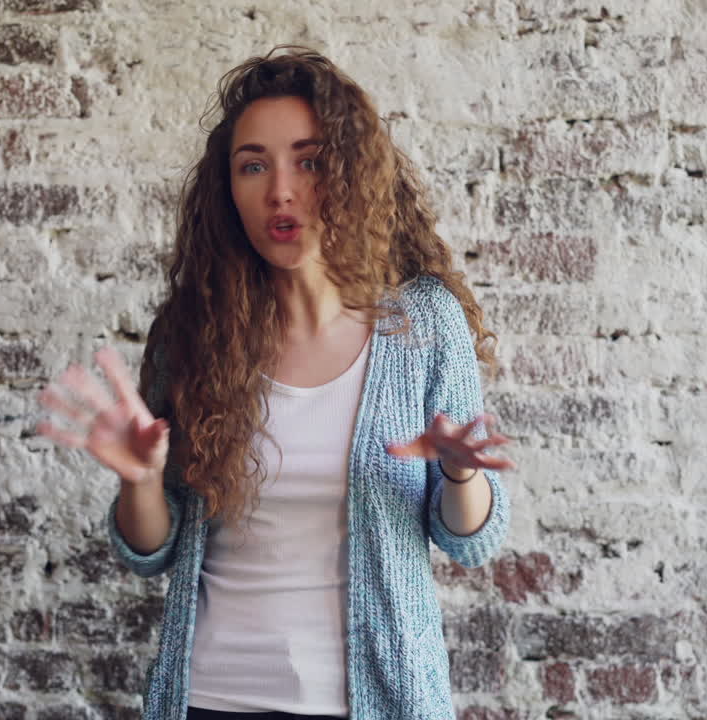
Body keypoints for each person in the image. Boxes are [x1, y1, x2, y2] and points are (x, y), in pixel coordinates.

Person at [37, 46, 513, 720]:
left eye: (309, 160)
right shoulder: (195, 332)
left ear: (350, 173)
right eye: (253, 165)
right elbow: (153, 553)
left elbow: (471, 540)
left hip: (376, 701)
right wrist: (139, 481)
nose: (280, 190)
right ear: (228, 191)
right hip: (210, 698)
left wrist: (463, 478)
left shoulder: (424, 323)